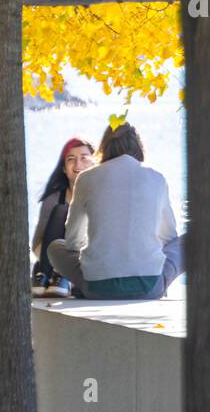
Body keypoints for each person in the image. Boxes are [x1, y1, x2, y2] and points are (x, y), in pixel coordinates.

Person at [46, 122, 185, 301]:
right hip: (150, 287)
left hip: (97, 288)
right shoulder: (157, 178)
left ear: (104, 147)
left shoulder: (86, 178)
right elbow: (169, 237)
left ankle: (82, 286)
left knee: (55, 247)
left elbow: (73, 242)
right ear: (138, 146)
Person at [31, 137, 95, 299]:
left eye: (84, 158)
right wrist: (58, 263)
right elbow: (38, 243)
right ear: (64, 168)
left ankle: (60, 278)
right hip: (53, 262)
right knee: (61, 211)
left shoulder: (102, 195)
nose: (78, 164)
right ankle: (48, 276)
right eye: (71, 159)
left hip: (85, 263)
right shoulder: (53, 199)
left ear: (95, 163)